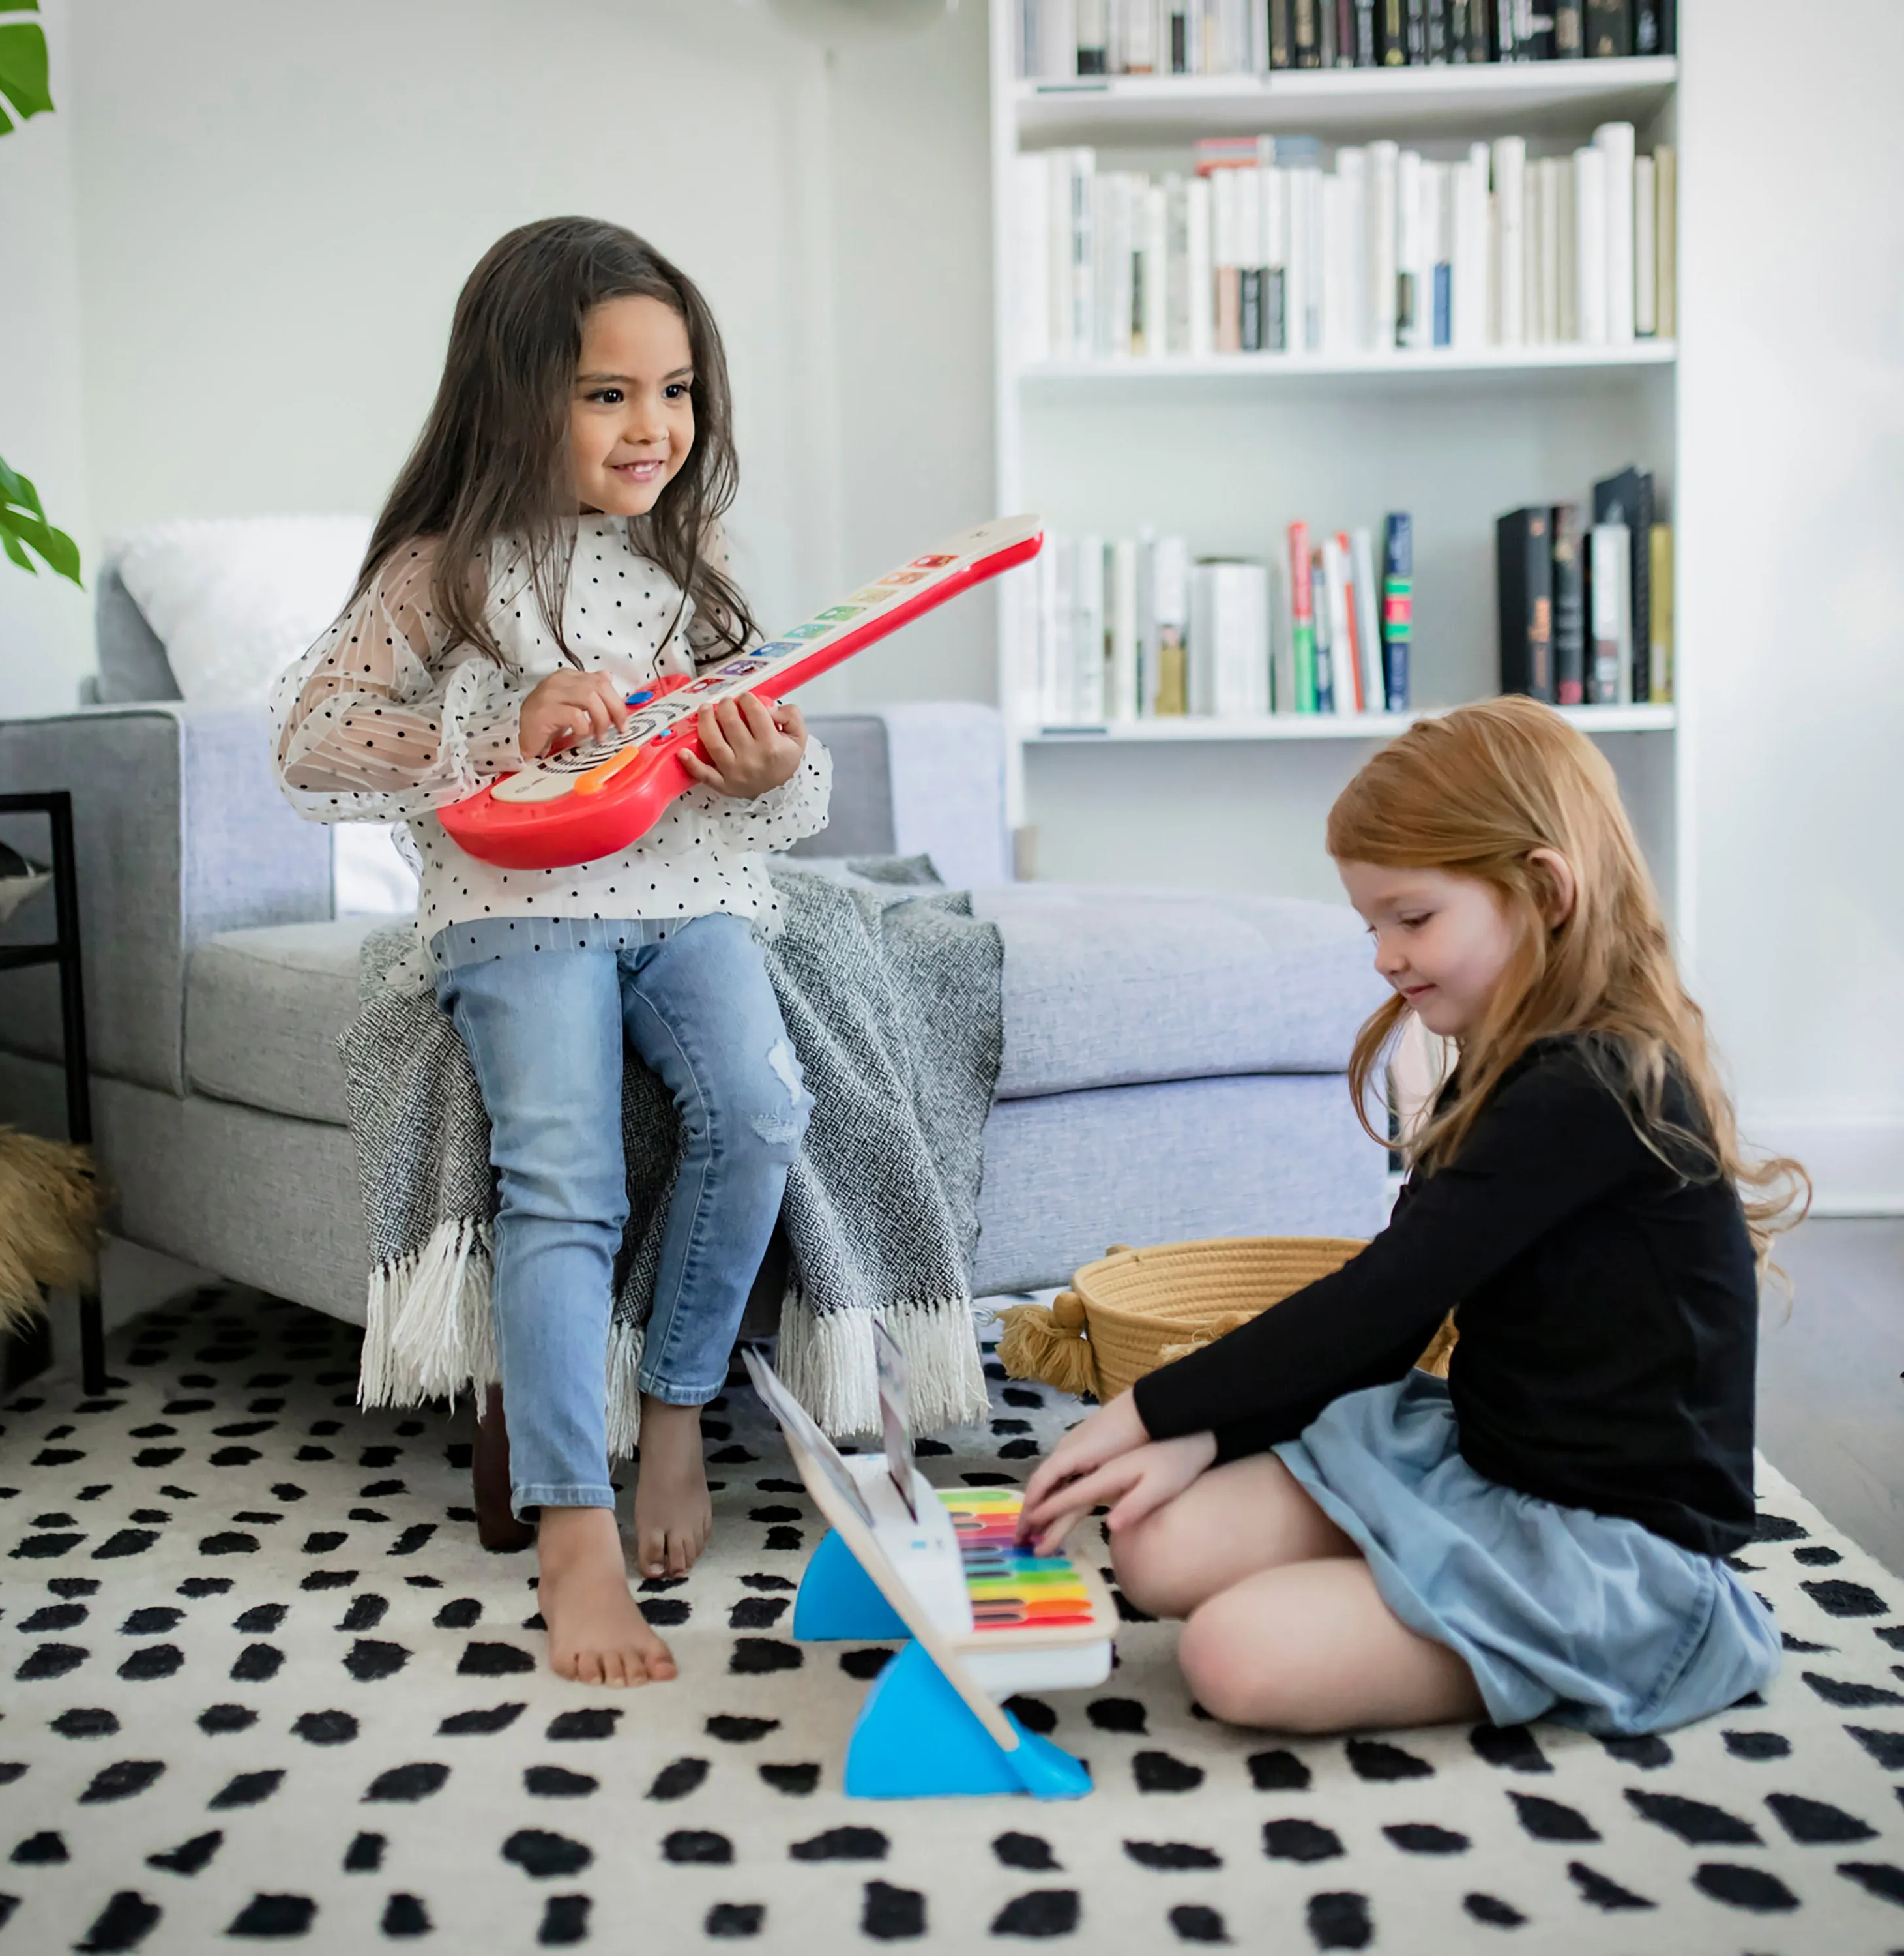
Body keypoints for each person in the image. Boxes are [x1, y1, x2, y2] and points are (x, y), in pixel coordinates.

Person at [272, 217, 830, 1687]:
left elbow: (796, 775)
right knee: (564, 1177)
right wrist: (492, 727)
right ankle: (572, 1534)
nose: (655, 428)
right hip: (518, 916)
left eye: (678, 390)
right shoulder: (441, 570)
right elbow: (312, 745)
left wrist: (771, 771)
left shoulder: (693, 568)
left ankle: (676, 1415)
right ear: (515, 395)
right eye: (608, 394)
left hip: (693, 895)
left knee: (762, 1108)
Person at [1019, 698, 1804, 1737]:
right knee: (1155, 1547)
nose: (1385, 956)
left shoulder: (1599, 1083)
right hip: (1484, 1461)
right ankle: (1400, 1578)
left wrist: (1150, 1410)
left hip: (1609, 1546)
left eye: (1413, 917)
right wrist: (1200, 1436)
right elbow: (1390, 1319)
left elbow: (1382, 1296)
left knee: (1228, 1655)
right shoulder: (1507, 1047)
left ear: (1544, 890)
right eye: (1371, 924)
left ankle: (1648, 1639)